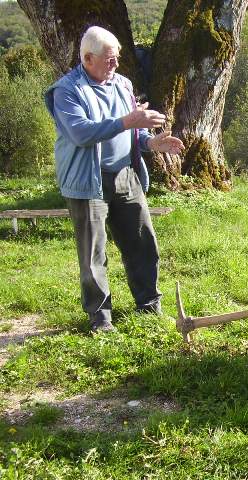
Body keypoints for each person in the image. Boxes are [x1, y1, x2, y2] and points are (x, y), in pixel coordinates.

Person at [44, 26, 184, 332]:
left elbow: (135, 131)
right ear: (88, 58)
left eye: (117, 57)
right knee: (94, 255)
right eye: (110, 59)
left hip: (126, 175)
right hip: (87, 182)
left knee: (143, 243)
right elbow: (81, 133)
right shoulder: (66, 91)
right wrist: (129, 121)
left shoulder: (122, 84)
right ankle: (101, 319)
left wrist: (150, 142)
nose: (116, 64)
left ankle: (149, 306)